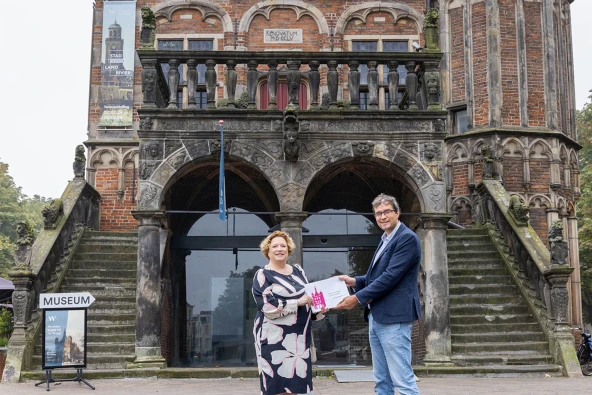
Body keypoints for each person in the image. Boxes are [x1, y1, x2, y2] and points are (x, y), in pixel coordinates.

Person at [334, 193, 421, 395]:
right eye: (378, 213)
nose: (382, 217)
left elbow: (391, 276)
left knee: (402, 381)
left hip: (395, 318)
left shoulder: (406, 238)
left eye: (386, 212)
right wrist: (356, 281)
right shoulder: (385, 239)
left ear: (397, 212)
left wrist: (357, 297)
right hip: (378, 315)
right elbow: (378, 275)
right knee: (382, 381)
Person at [252, 230, 327, 395]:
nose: (279, 249)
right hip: (273, 339)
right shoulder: (262, 275)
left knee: (297, 386)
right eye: (275, 246)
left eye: (283, 246)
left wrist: (319, 309)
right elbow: (266, 307)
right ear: (267, 251)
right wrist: (296, 303)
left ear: (288, 249)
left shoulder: (298, 271)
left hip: (299, 340)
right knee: (276, 386)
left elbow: (307, 298)